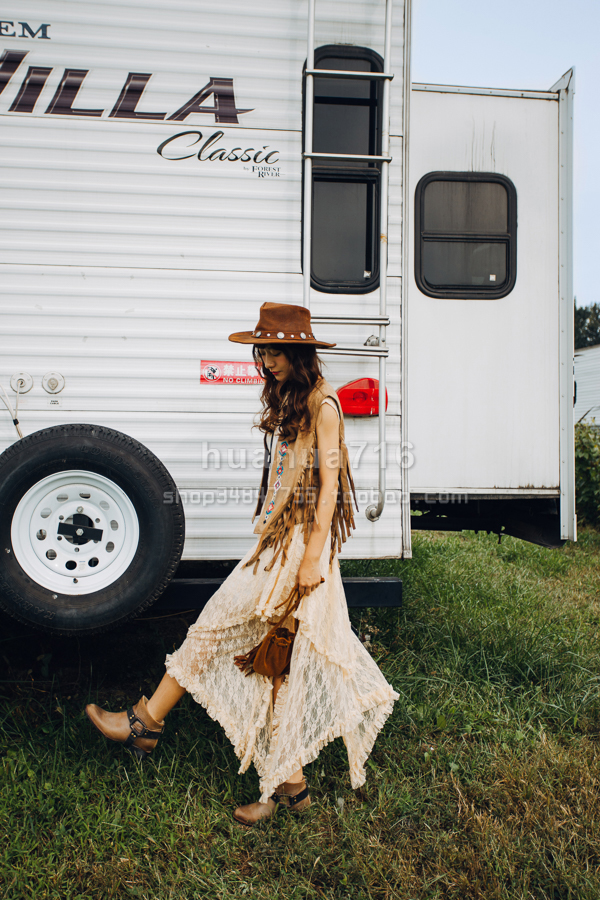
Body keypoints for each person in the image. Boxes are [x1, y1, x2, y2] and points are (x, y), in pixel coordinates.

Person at [85, 302, 399, 826]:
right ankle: (286, 787)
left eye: (274, 351)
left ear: (297, 354)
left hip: (300, 552)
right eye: (262, 351)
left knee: (268, 660)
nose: (265, 360)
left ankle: (148, 725)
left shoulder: (324, 405)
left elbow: (329, 491)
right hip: (279, 545)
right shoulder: (294, 402)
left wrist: (312, 559)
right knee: (267, 662)